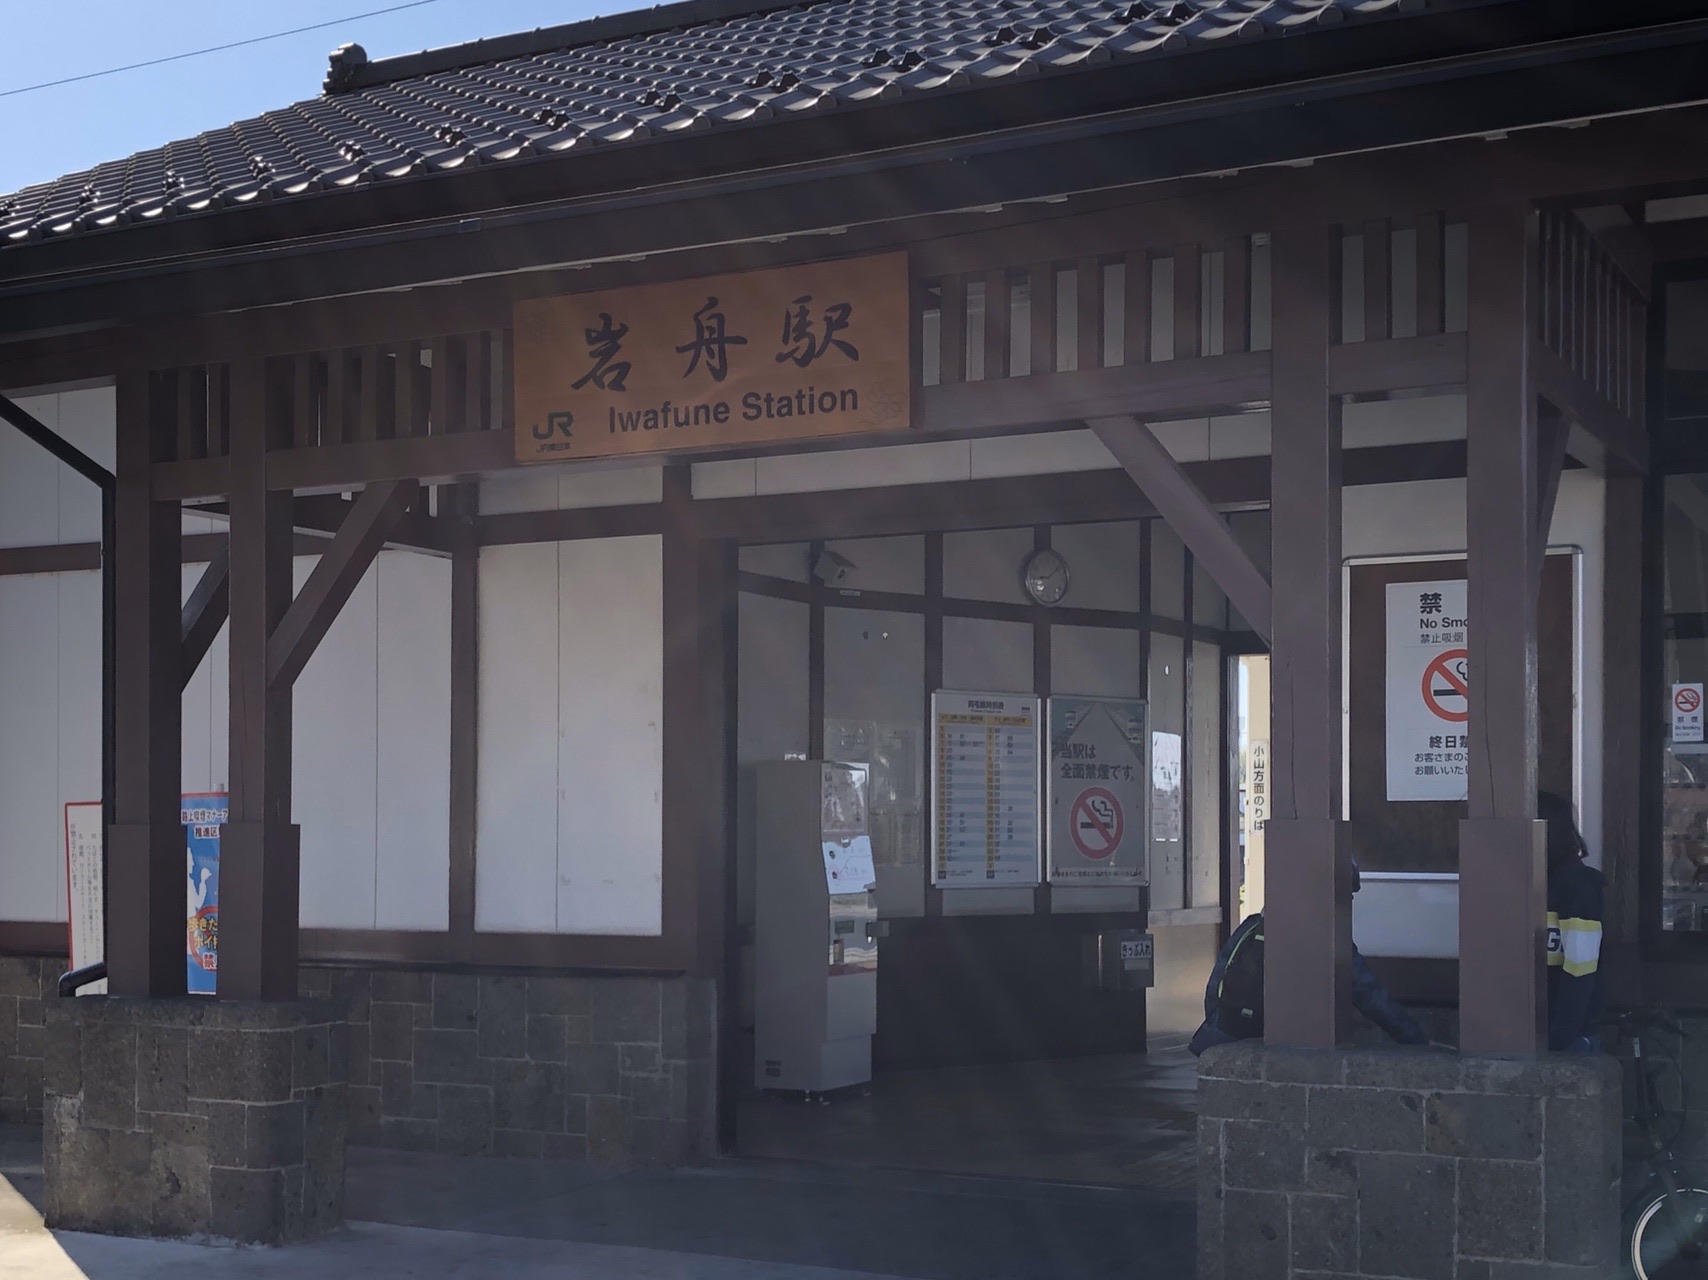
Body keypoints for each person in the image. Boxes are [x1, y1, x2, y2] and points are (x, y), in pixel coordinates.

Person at [1188, 858, 1428, 1055]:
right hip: (1281, 1049)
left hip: (1225, 1035)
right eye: (1349, 894)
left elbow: (1217, 980)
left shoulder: (1254, 925)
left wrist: (1216, 1023)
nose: (1351, 901)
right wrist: (1415, 1040)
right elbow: (1370, 995)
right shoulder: (1328, 940)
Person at [1540, 789, 1605, 1053]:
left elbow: (1580, 972)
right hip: (1538, 1034)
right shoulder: (1537, 883)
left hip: (1569, 1040)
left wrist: (1558, 1041)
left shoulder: (1578, 888)